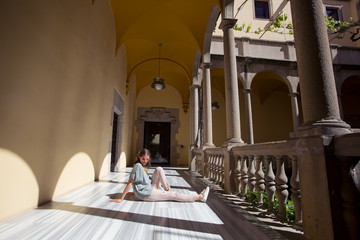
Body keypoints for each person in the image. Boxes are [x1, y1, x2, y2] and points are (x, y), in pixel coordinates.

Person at [110, 148, 210, 203]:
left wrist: (134, 193)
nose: (145, 161)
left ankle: (166, 190)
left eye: (147, 159)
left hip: (148, 187)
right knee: (173, 195)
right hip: (146, 193)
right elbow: (130, 182)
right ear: (139, 157)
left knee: (159, 169)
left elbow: (139, 182)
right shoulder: (137, 166)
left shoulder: (142, 166)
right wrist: (121, 198)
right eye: (143, 158)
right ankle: (200, 197)